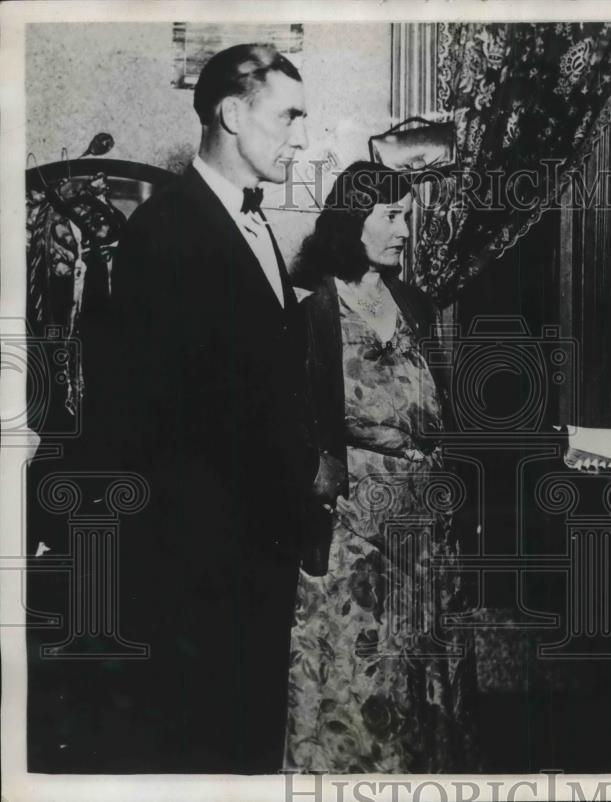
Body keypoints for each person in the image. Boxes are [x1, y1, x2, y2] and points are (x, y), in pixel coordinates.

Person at [94, 43, 334, 772]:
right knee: (205, 752)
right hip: (198, 563)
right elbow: (162, 415)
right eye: (288, 115)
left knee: (250, 739)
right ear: (232, 114)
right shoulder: (166, 232)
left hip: (253, 547)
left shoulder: (250, 222)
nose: (300, 135)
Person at [284, 161, 479, 773]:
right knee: (355, 679)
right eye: (392, 216)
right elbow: (288, 420)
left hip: (424, 533)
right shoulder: (308, 309)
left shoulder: (413, 302)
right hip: (352, 533)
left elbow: (441, 401)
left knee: (421, 682)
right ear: (352, 220)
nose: (404, 231)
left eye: (407, 217)